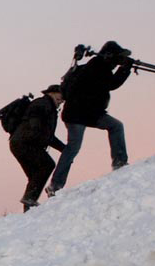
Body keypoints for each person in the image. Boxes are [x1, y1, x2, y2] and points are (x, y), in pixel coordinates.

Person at [49, 42, 134, 194]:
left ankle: (119, 162)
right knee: (73, 148)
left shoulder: (98, 66)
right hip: (77, 115)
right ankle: (55, 185)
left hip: (89, 113)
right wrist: (125, 68)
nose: (117, 62)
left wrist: (123, 67)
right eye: (118, 58)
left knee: (115, 126)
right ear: (110, 56)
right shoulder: (98, 67)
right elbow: (112, 84)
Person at [10, 86, 67, 211]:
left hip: (19, 143)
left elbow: (47, 134)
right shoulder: (43, 104)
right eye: (60, 97)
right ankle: (29, 199)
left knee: (35, 175)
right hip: (26, 143)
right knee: (47, 165)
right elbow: (40, 129)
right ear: (51, 93)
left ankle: (28, 208)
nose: (62, 100)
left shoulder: (48, 107)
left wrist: (62, 148)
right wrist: (63, 148)